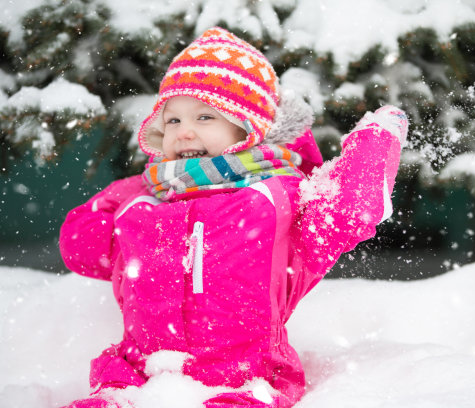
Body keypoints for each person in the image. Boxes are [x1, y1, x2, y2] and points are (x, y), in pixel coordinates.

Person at [59, 27, 408, 408]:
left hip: (246, 380)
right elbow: (81, 247)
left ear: (248, 128)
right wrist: (136, 188)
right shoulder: (146, 202)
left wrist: (375, 143)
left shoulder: (279, 199)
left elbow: (348, 212)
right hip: (137, 377)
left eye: (205, 117)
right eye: (172, 121)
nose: (183, 131)